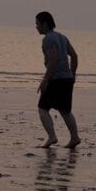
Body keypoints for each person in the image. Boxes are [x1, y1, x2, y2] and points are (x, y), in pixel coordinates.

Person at [35, 11, 80, 149]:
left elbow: (53, 60)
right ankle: (75, 137)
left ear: (45, 24)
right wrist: (72, 74)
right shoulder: (62, 37)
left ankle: (52, 136)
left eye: (38, 24)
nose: (36, 27)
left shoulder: (48, 39)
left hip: (56, 79)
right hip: (66, 79)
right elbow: (74, 56)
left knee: (42, 108)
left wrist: (45, 80)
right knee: (65, 110)